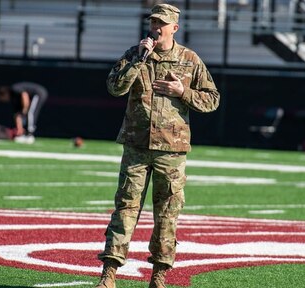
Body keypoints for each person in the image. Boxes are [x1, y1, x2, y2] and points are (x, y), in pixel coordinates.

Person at [95, 4, 220, 288]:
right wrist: (139, 59)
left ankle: (159, 276)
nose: (155, 29)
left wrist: (183, 92)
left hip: (172, 150)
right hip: (136, 146)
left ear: (174, 28)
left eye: (161, 24)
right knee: (125, 207)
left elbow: (212, 99)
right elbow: (115, 88)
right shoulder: (135, 54)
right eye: (153, 23)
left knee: (167, 212)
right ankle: (109, 273)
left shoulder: (189, 59)